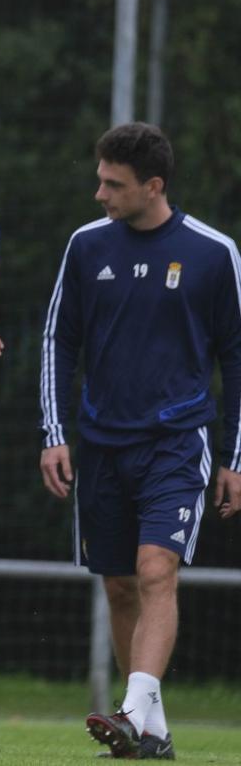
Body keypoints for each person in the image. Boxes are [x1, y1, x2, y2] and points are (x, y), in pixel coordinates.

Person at [40, 122, 241, 760]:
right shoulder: (85, 246)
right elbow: (57, 341)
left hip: (177, 442)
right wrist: (54, 433)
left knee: (158, 572)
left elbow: (237, 360)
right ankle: (150, 732)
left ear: (153, 186)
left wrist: (237, 457)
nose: (99, 193)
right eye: (99, 179)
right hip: (100, 444)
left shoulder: (214, 253)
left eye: (112, 184)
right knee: (120, 584)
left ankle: (130, 710)